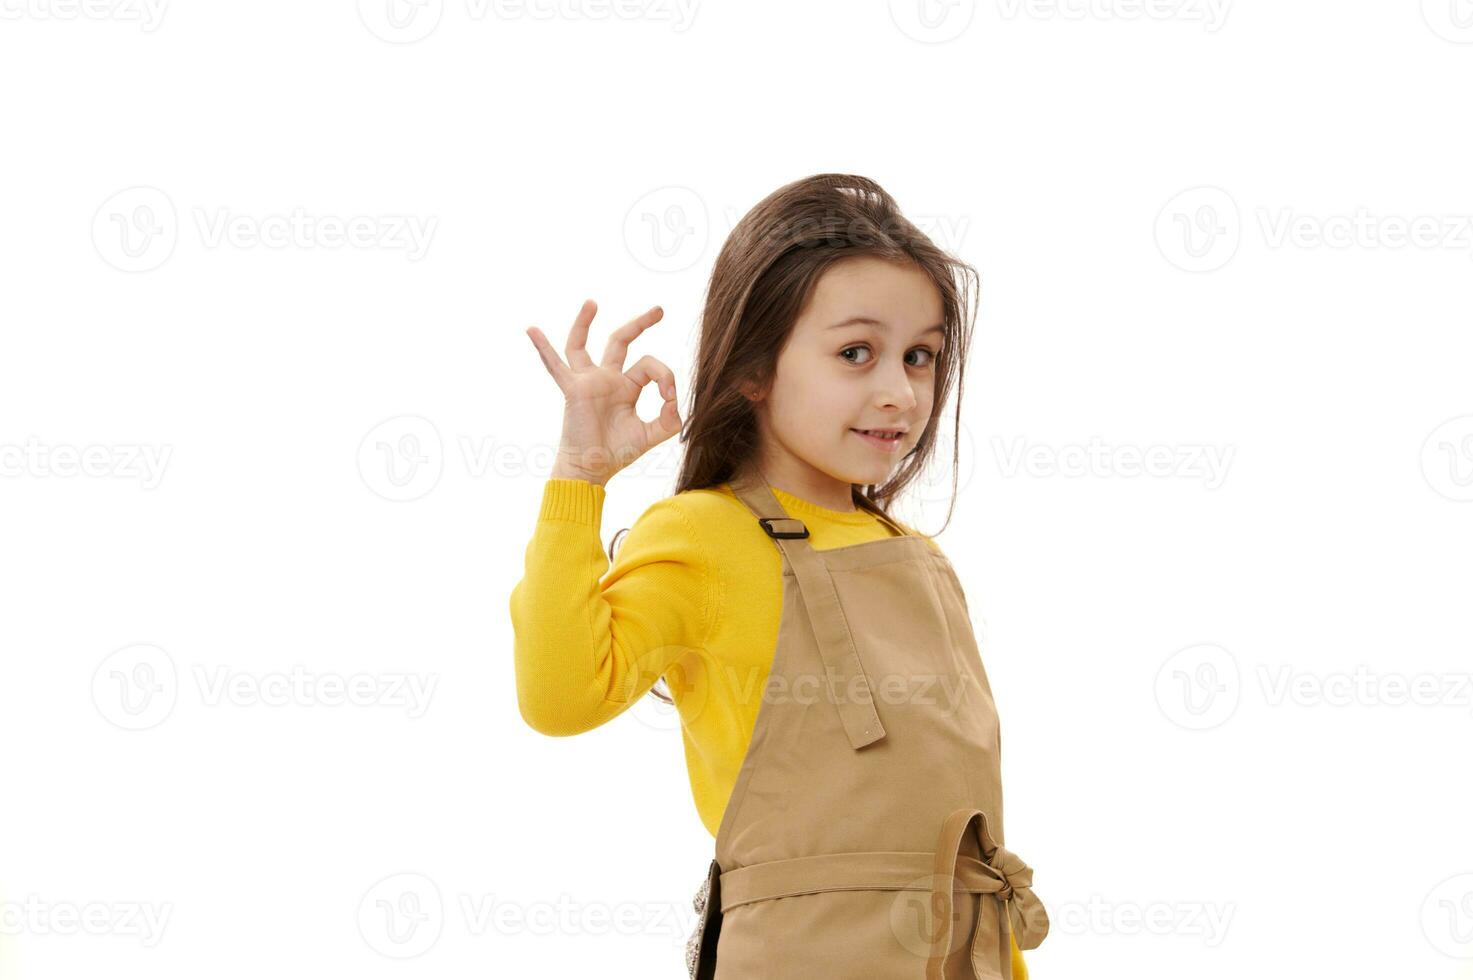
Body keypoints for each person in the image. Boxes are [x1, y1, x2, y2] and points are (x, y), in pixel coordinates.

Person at [510, 173, 1047, 979]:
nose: (898, 391)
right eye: (854, 352)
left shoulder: (921, 557)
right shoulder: (706, 533)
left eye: (921, 356)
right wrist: (579, 476)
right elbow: (559, 697)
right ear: (753, 367)